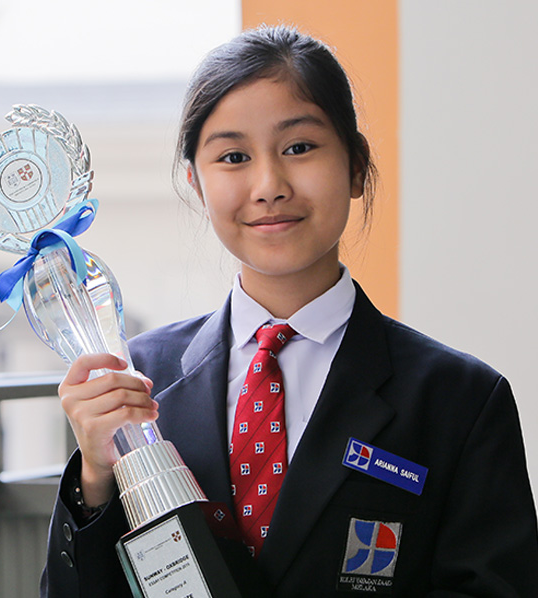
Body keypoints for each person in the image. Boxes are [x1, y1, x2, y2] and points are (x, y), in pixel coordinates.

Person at [41, 25, 538, 596]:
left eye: (299, 148)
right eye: (233, 156)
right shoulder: (138, 381)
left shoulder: (461, 400)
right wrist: (96, 479)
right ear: (197, 186)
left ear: (355, 165)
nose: (268, 185)